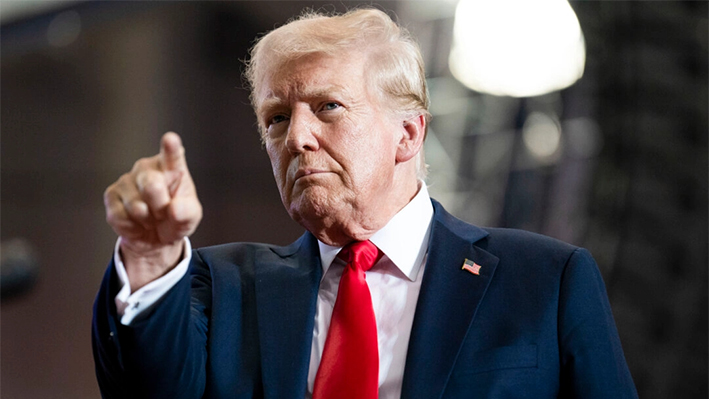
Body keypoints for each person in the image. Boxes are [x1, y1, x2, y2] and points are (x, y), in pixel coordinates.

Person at [92, 8, 638, 399]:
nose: (297, 138)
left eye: (328, 107)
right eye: (276, 118)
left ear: (408, 133)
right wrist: (148, 256)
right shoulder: (220, 288)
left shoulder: (546, 280)